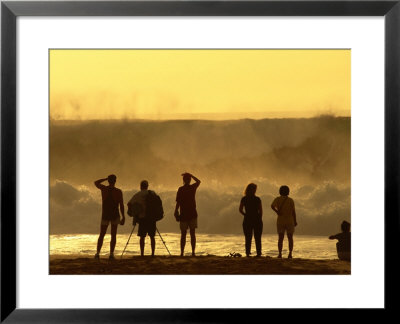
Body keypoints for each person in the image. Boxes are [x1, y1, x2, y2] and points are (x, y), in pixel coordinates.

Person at [94, 174, 125, 260]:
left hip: (105, 215)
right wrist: (123, 217)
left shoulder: (104, 189)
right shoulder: (118, 192)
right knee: (113, 235)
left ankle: (97, 253)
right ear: (115, 181)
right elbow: (121, 205)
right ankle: (111, 254)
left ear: (108, 181)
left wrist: (105, 178)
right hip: (115, 215)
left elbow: (96, 182)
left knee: (102, 234)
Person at [127, 180, 157, 256]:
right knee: (152, 237)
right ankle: (153, 254)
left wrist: (134, 212)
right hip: (151, 218)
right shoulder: (152, 193)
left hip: (142, 218)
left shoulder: (138, 194)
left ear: (141, 186)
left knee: (142, 237)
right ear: (147, 186)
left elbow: (129, 204)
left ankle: (142, 254)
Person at [174, 173, 201, 256]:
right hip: (192, 213)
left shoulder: (181, 189)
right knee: (192, 234)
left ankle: (182, 252)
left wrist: (175, 211)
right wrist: (192, 175)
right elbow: (199, 181)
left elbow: (178, 202)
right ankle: (193, 252)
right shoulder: (192, 188)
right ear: (189, 180)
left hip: (183, 214)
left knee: (183, 234)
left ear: (183, 180)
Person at [271, 185, 297, 259]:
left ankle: (280, 254)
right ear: (288, 192)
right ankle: (290, 254)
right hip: (290, 221)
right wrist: (295, 221)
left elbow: (272, 206)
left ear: (280, 191)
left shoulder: (277, 199)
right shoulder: (291, 200)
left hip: (280, 221)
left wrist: (277, 212)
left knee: (280, 238)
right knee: (290, 238)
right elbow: (293, 212)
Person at [239, 183, 263, 257]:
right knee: (257, 238)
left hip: (247, 219)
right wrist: (259, 219)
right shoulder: (257, 199)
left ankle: (247, 253)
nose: (255, 190)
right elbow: (261, 211)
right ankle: (258, 253)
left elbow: (240, 210)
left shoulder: (244, 198)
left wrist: (245, 215)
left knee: (248, 237)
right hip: (257, 219)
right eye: (254, 189)